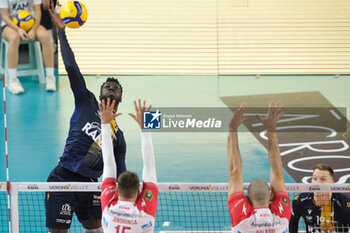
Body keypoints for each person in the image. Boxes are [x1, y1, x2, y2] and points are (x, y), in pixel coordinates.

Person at [45, 3, 126, 233]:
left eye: (115, 87)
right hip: (63, 178)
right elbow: (70, 66)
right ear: (101, 94)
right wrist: (61, 32)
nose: (111, 87)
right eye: (107, 85)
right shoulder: (85, 99)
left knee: (95, 229)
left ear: (119, 97)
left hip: (90, 185)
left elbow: (120, 177)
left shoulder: (118, 137)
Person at [227, 101, 291, 233]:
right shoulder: (282, 216)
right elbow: (278, 170)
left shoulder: (241, 218)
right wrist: (271, 130)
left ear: (247, 200)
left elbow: (234, 171)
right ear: (272, 197)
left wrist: (232, 128)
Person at [100, 98, 158, 233]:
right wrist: (144, 127)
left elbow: (108, 163)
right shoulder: (145, 213)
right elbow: (150, 165)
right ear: (139, 190)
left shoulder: (108, 209)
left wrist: (104, 123)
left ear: (115, 190)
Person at [0, 0, 56, 94]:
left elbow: (38, 12)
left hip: (31, 23)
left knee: (46, 37)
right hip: (10, 25)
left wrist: (33, 29)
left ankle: (50, 77)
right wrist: (18, 29)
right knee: (14, 38)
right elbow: (4, 16)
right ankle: (13, 81)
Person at [289, 163, 350, 233]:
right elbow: (293, 224)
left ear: (332, 183)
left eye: (323, 179)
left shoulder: (345, 205)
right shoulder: (300, 201)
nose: (317, 182)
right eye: (314, 178)